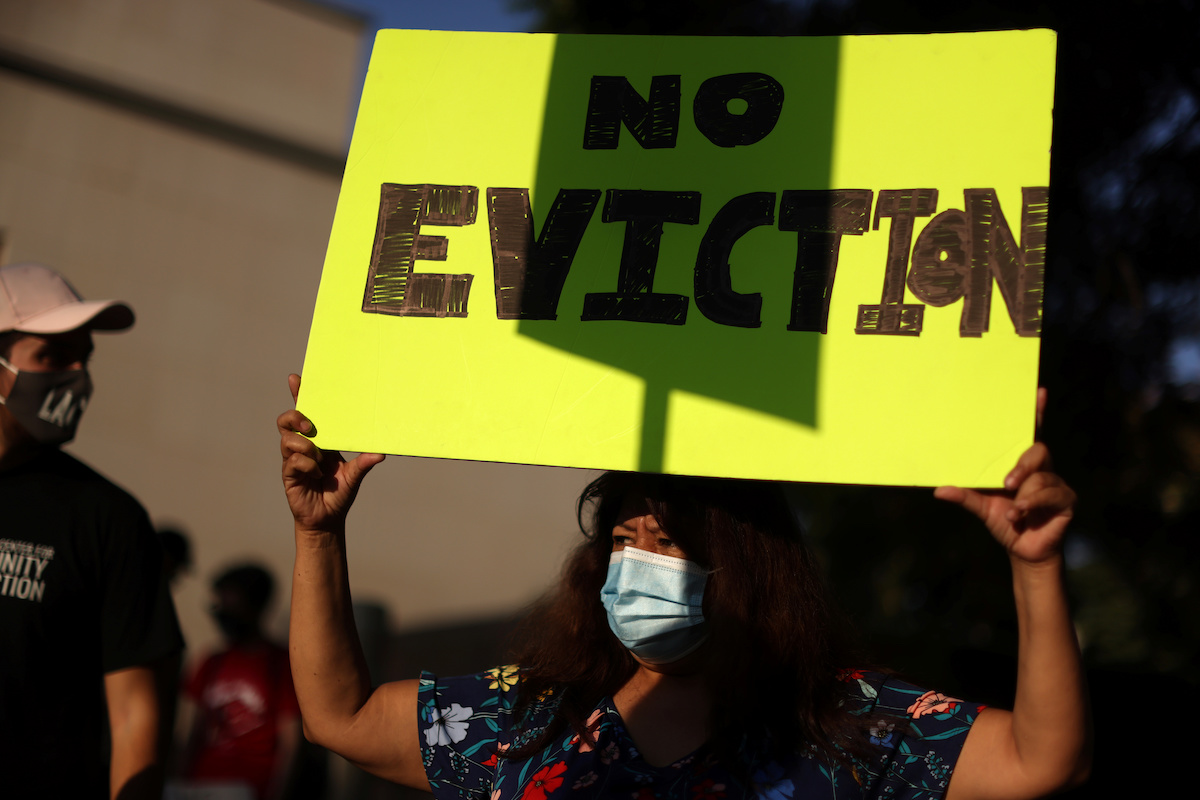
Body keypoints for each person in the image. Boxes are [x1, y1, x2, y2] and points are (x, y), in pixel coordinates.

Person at [277, 374, 1091, 799]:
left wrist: (1036, 566)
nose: (635, 564)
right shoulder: (530, 718)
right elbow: (337, 716)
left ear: (746, 569)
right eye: (623, 541)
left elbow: (1041, 760)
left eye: (666, 543)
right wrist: (319, 531)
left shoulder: (840, 726)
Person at [0, 262, 184, 799]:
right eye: (52, 355)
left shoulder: (107, 518)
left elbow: (133, 713)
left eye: (85, 356)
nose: (77, 374)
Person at [178, 563, 301, 800]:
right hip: (199, 785)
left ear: (255, 605)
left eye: (230, 602)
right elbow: (191, 732)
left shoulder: (281, 665)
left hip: (249, 789)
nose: (222, 610)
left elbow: (290, 743)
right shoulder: (211, 662)